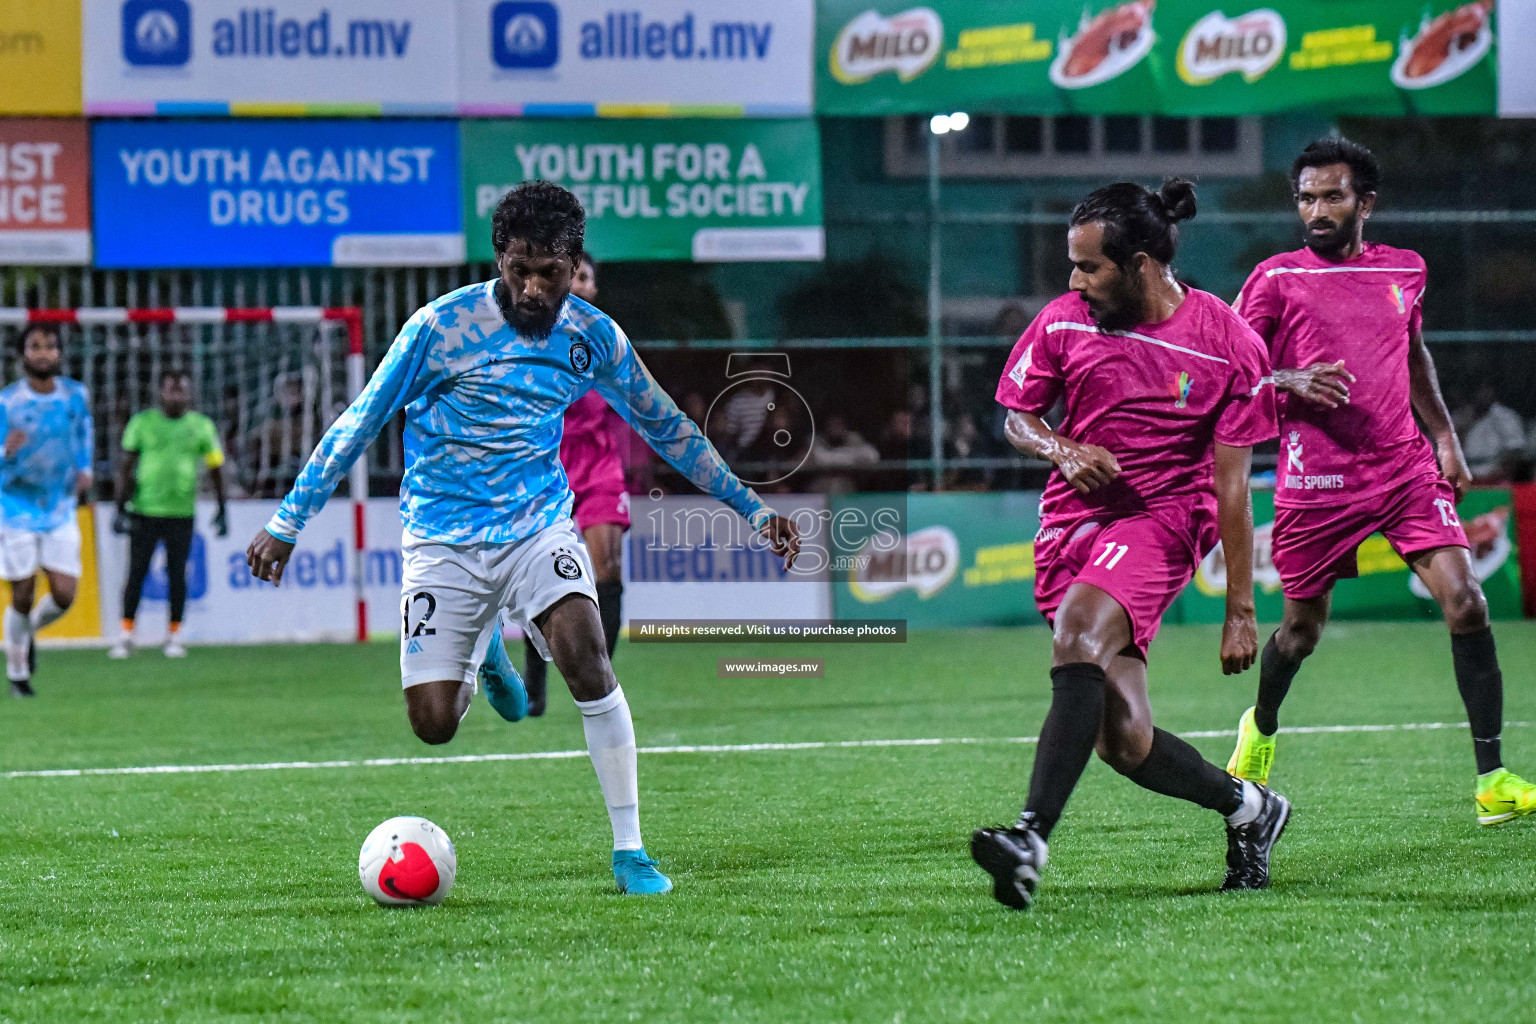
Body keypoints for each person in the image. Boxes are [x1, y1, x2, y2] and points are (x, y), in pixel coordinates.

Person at [246, 181, 800, 895]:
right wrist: (287, 521)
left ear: (576, 266)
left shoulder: (592, 337)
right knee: (434, 724)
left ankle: (630, 849)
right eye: (519, 270)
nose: (534, 288)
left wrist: (752, 509)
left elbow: (667, 426)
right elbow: (360, 420)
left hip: (538, 526)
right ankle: (489, 659)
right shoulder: (438, 328)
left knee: (588, 658)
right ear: (498, 259)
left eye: (551, 272)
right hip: (442, 542)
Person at [970, 179, 1288, 910]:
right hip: (1069, 528)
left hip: (1163, 519)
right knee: (1124, 740)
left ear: (1140, 264)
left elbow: (1234, 488)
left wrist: (1240, 607)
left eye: (1089, 267)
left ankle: (1029, 839)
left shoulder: (1229, 344)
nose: (1073, 281)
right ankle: (1251, 810)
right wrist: (1061, 447)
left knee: (1080, 635)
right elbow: (1016, 415)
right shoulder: (1063, 321)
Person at [1225, 137, 1536, 824]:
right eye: (1306, 197)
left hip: (1402, 468)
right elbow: (1232, 371)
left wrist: (1446, 437)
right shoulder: (1275, 279)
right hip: (1316, 484)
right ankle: (1262, 725)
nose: (1316, 209)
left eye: (1332, 196)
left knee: (1468, 603)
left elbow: (1414, 352)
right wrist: (1288, 377)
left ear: (1365, 202)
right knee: (1301, 632)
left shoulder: (1404, 270)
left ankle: (1493, 781)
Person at [522, 253, 631, 717]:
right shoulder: (532, 335)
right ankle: (535, 681)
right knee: (543, 577)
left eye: (588, 278)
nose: (582, 284)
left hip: (600, 468)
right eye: (576, 276)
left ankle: (596, 672)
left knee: (607, 565)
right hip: (549, 469)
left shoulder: (606, 339)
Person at [109, 368, 229, 660]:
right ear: (161, 393)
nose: (176, 395)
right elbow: (127, 465)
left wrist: (222, 507)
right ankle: (126, 634)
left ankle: (174, 634)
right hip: (144, 510)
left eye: (181, 389)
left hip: (181, 512)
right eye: (171, 389)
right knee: (136, 573)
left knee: (178, 575)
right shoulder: (142, 423)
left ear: (189, 394)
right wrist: (119, 505)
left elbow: (215, 468)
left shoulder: (201, 426)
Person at [0, 323, 93, 697]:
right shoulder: (7, 402)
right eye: (35, 346)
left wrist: (85, 468)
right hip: (14, 505)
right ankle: (18, 672)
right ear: (23, 355)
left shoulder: (75, 395)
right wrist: (6, 450)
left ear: (58, 353)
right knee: (21, 594)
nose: (43, 353)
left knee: (65, 594)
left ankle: (28, 633)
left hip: (58, 504)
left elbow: (84, 433)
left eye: (50, 346)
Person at [1458, 383, 1526, 482]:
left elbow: (1515, 450)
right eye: (1476, 391)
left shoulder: (1505, 416)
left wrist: (1497, 474)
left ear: (1492, 392)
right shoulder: (1465, 416)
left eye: (1484, 390)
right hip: (1470, 480)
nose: (1480, 395)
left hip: (1497, 481)